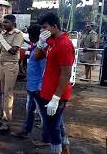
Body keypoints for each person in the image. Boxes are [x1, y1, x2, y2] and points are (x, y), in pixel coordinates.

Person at [36, 13, 74, 154]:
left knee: (53, 128)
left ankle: (57, 150)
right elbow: (37, 56)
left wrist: (56, 98)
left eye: (45, 28)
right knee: (57, 124)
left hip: (56, 95)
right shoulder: (53, 42)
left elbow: (66, 74)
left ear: (55, 26)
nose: (43, 31)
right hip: (47, 92)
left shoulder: (64, 45)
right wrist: (41, 43)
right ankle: (65, 149)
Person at [12, 24, 47, 140]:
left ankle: (46, 138)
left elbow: (44, 69)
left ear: (33, 35)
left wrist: (40, 86)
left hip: (37, 87)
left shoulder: (41, 49)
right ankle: (26, 131)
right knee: (30, 110)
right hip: (32, 85)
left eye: (30, 35)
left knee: (43, 112)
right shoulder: (37, 46)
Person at [0, 15, 24, 133]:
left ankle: (7, 121)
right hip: (2, 64)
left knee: (8, 92)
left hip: (11, 65)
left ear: (13, 23)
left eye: (6, 22)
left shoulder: (18, 34)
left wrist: (2, 40)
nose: (4, 24)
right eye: (3, 22)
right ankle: (4, 114)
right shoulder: (3, 34)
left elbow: (13, 51)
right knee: (3, 92)